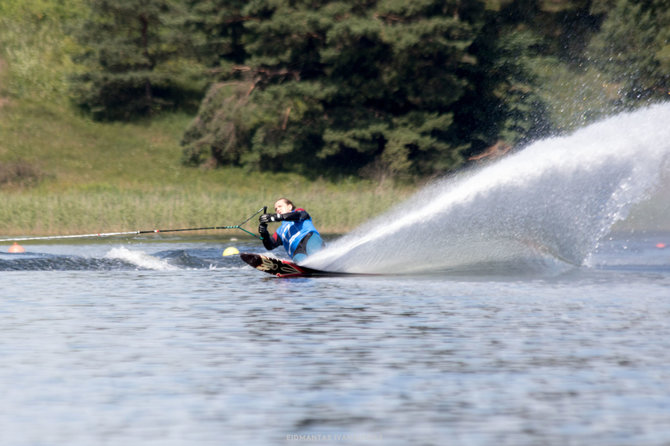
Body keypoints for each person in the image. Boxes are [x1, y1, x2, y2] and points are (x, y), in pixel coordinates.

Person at [258, 198, 324, 262]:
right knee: (300, 260)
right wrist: (264, 233)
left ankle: (324, 264)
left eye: (280, 206)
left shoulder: (299, 212)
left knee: (314, 255)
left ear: (289, 206)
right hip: (296, 251)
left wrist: (275, 217)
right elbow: (269, 246)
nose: (278, 209)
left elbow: (299, 215)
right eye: (276, 209)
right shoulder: (279, 231)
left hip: (309, 238)